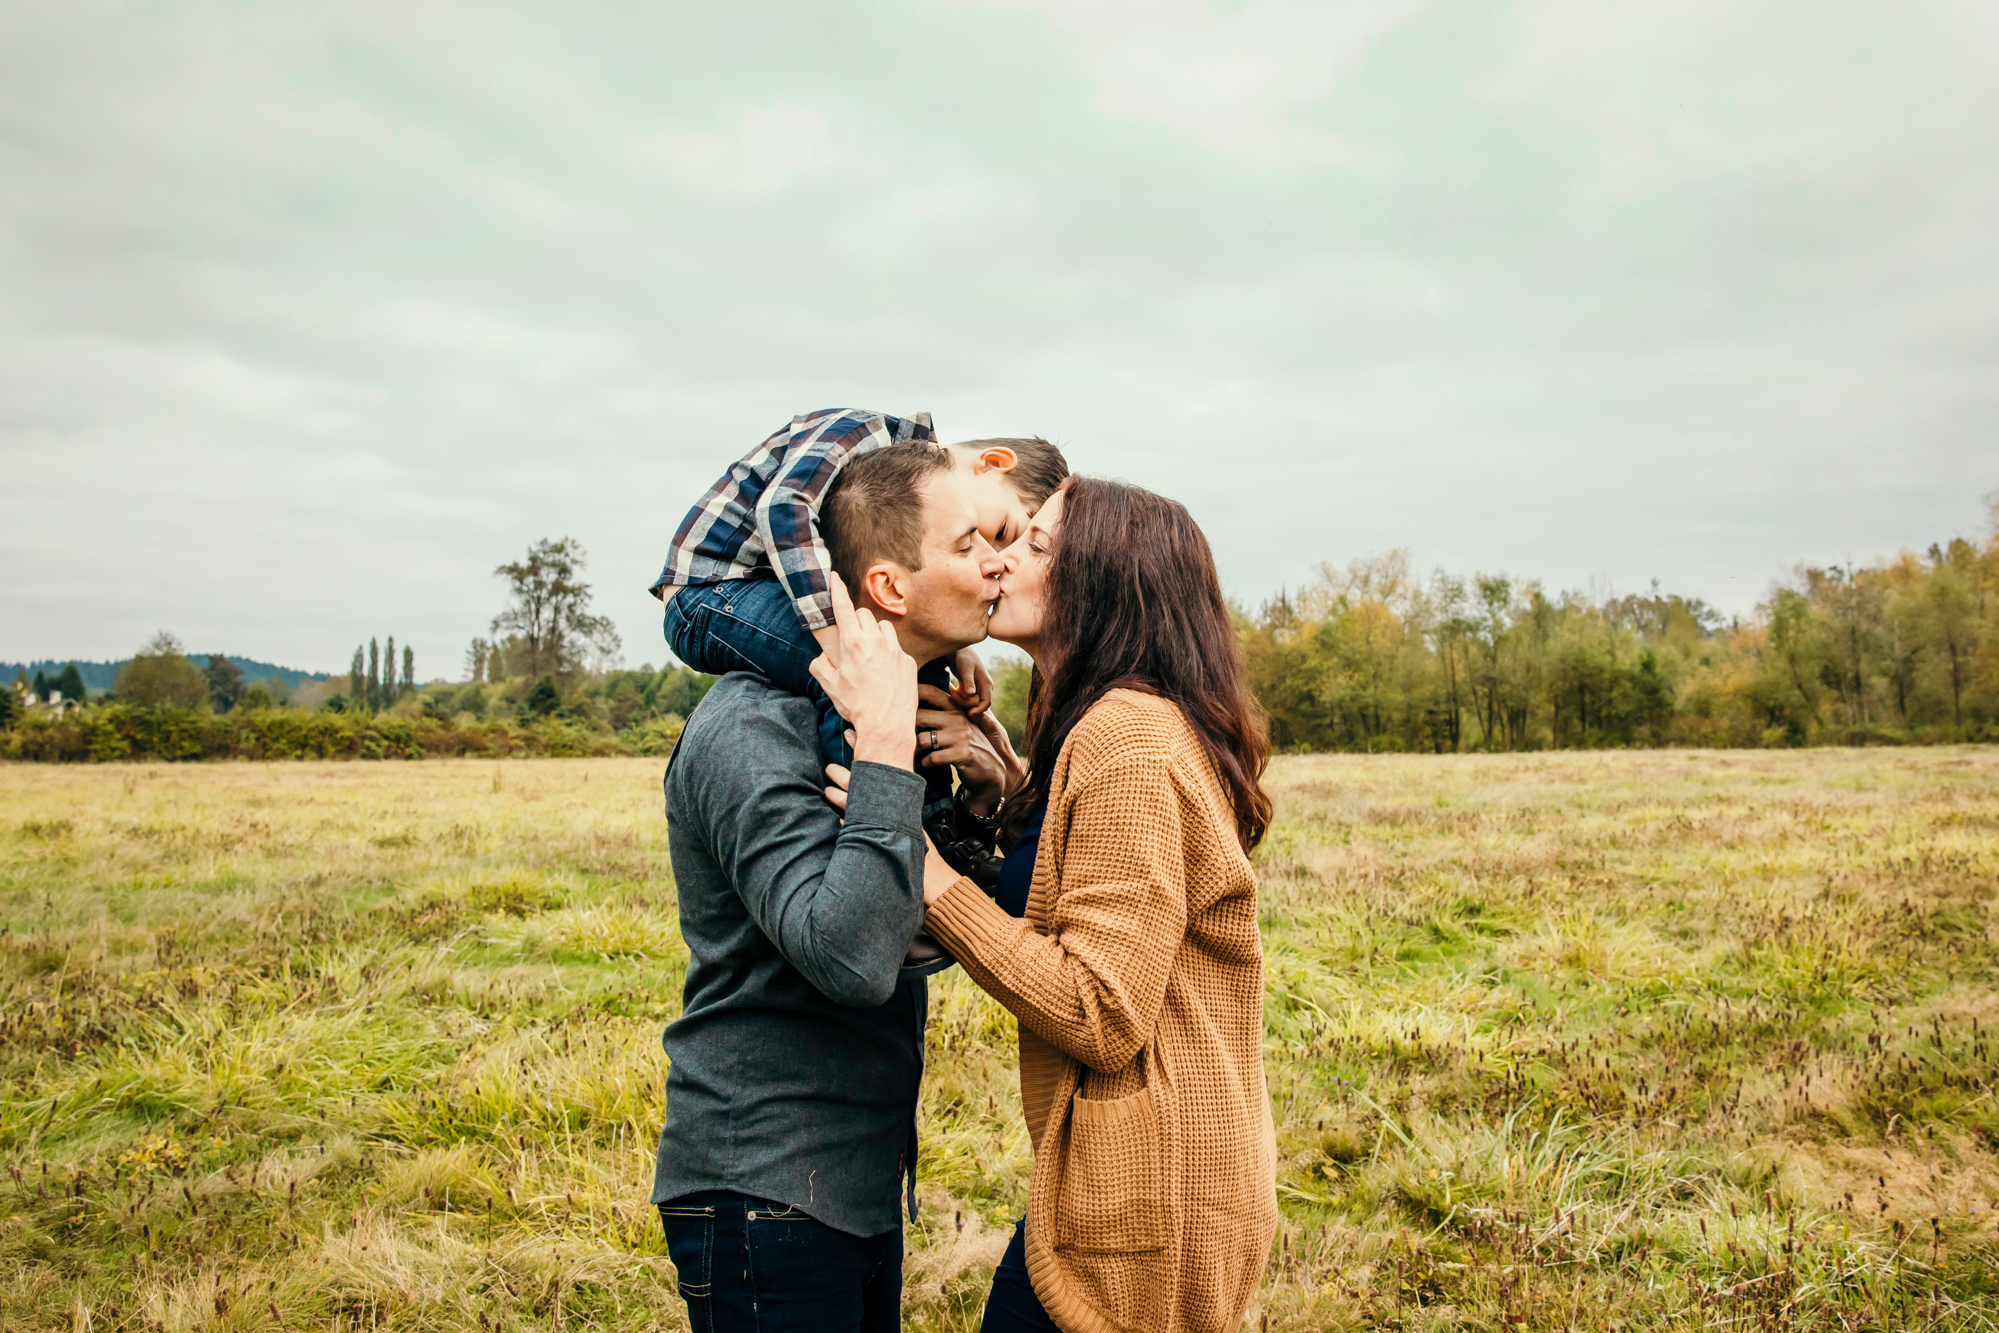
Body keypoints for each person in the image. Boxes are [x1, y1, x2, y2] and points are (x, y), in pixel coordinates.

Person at [821, 476, 1279, 1333]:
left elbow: (1099, 1007)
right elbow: (1103, 902)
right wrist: (1013, 795)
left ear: (1101, 586)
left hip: (1149, 1198)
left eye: (1034, 546)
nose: (999, 562)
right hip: (1147, 1176)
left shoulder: (1126, 741)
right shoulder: (1111, 728)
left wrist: (917, 863)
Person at [649, 441, 1018, 1333]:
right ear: (889, 588)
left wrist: (983, 801)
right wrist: (887, 751)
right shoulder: (753, 725)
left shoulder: (894, 719)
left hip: (847, 1179)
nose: (997, 561)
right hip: (762, 1187)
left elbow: (917, 937)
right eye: (967, 545)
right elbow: (851, 957)